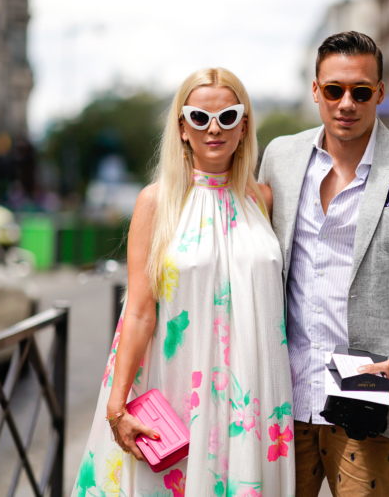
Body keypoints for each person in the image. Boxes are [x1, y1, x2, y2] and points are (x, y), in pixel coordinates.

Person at [259, 31, 389, 497]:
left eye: (361, 91)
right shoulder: (280, 157)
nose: (346, 103)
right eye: (334, 90)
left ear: (379, 92)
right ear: (315, 90)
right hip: (280, 392)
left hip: (367, 394)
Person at [72, 68, 295, 497]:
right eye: (199, 117)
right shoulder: (156, 202)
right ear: (181, 127)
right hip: (175, 389)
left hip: (255, 395)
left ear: (244, 125)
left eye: (228, 117)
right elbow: (138, 311)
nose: (214, 128)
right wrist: (117, 407)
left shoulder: (262, 199)